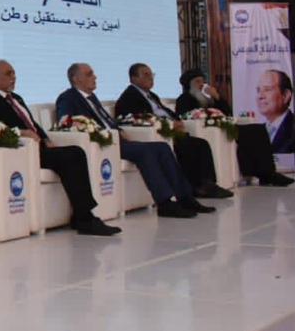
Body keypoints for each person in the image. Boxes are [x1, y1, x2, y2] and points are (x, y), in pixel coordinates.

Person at [0, 60, 119, 236]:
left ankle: (82, 216)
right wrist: (21, 133)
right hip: (20, 152)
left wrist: (46, 138)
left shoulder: (16, 98)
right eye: (9, 73)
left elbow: (32, 123)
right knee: (73, 155)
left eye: (14, 73)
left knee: (75, 152)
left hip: (39, 148)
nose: (14, 77)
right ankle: (85, 219)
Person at [55, 63, 212, 218]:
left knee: (162, 147)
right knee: (145, 152)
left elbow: (106, 120)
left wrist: (119, 130)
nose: (95, 77)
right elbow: (67, 123)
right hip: (102, 144)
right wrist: (104, 134)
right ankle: (164, 203)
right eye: (89, 74)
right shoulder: (68, 98)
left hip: (117, 140)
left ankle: (185, 197)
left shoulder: (92, 98)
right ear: (76, 79)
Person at [114, 64, 231, 199]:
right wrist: (169, 124)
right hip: (158, 134)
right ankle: (194, 187)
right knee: (187, 146)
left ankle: (207, 184)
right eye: (146, 74)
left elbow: (165, 111)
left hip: (170, 131)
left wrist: (177, 121)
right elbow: (138, 118)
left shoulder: (151, 95)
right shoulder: (129, 97)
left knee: (201, 144)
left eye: (152, 74)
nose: (151, 78)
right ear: (133, 78)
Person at [177, 69, 292, 186]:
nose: (202, 84)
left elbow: (227, 113)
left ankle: (267, 173)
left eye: (203, 81)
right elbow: (185, 118)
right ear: (189, 85)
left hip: (224, 128)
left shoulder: (208, 98)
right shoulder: (183, 99)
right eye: (197, 82)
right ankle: (264, 173)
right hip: (208, 131)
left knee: (257, 130)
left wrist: (217, 97)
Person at [257, 69, 295, 154]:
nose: (260, 96)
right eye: (258, 90)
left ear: (285, 95)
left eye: (267, 89)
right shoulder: (256, 133)